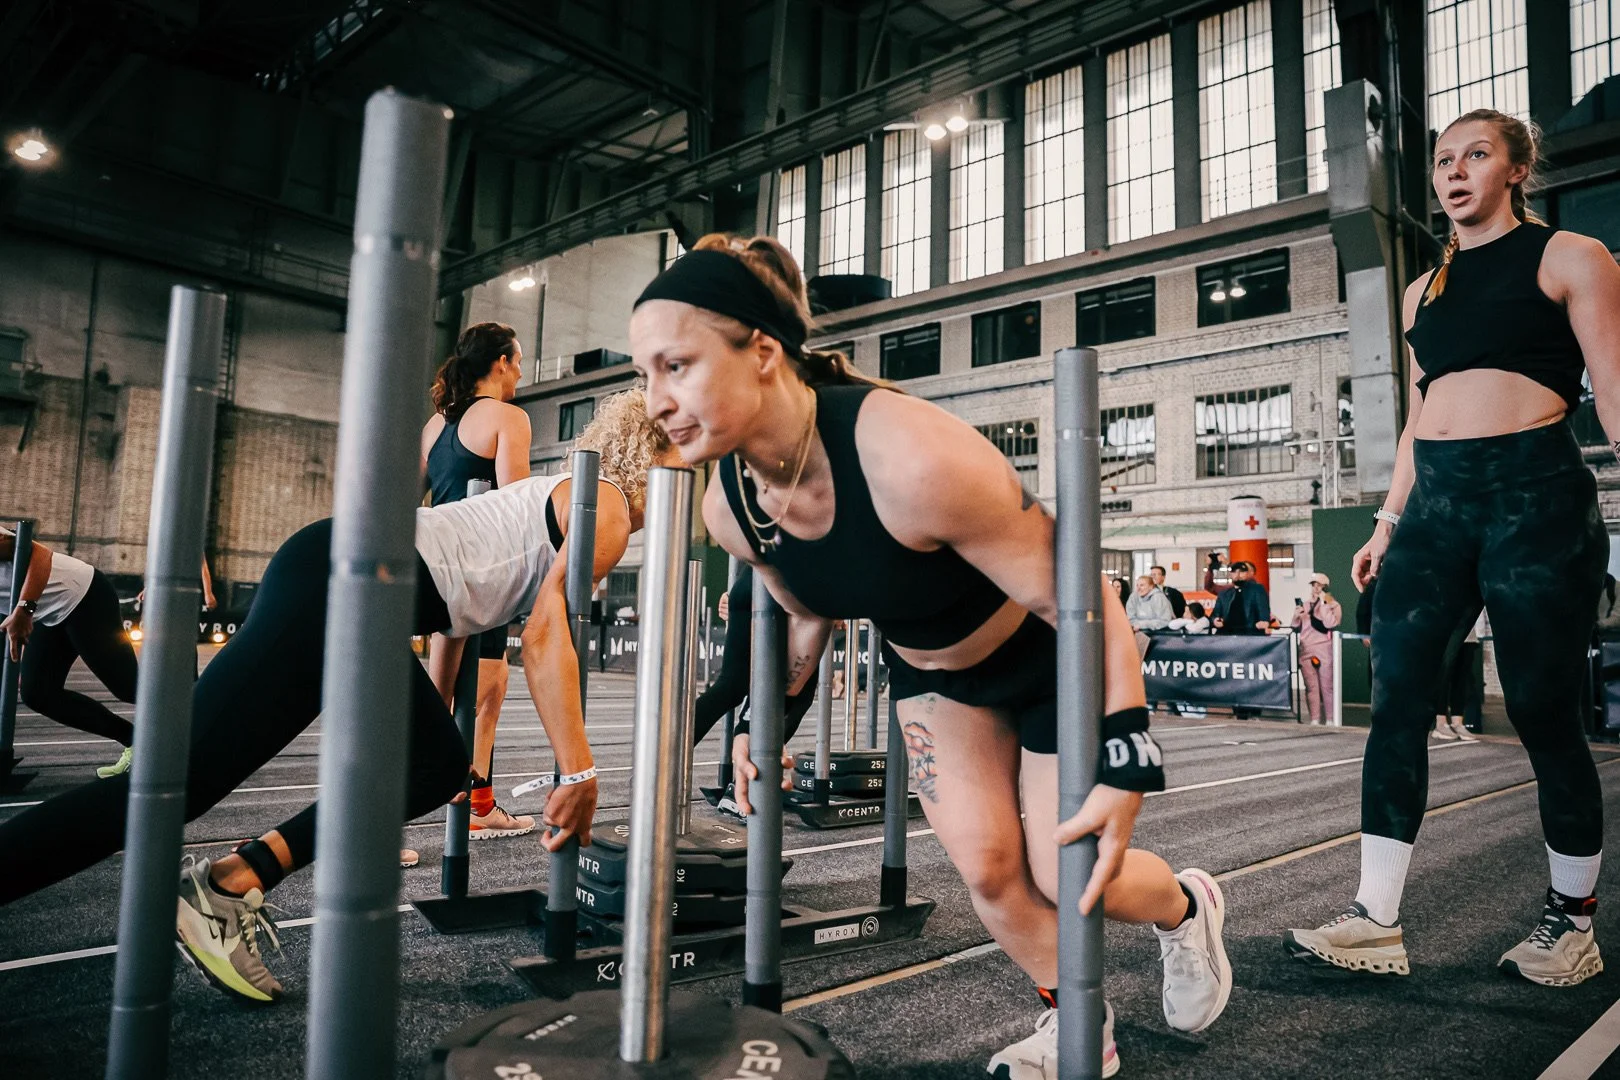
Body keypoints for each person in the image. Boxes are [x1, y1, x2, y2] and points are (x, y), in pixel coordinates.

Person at [629, 234, 1231, 1080]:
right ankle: (1077, 1022)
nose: (655, 399)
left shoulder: (909, 455)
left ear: (762, 352)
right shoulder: (732, 506)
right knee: (988, 872)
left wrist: (1129, 752)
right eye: (643, 375)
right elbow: (807, 625)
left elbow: (1081, 595)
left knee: (1070, 877)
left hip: (1052, 653)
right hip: (934, 676)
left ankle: (1185, 909)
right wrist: (760, 728)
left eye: (675, 366)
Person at [0, 392, 676, 1006]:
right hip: (340, 584)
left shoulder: (569, 496)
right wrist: (581, 771)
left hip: (359, 592)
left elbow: (458, 606)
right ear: (658, 452)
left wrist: (437, 707)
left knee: (435, 763)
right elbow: (544, 635)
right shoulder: (606, 507)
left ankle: (234, 881)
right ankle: (224, 885)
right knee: (166, 787)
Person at [1285, 110, 1620, 987]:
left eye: (1476, 155)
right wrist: (1386, 521)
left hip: (1534, 500)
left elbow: (1616, 395)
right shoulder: (1421, 291)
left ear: (1517, 169)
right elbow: (1418, 415)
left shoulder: (1571, 258)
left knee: (1546, 711)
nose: (1454, 172)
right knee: (1395, 702)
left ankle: (1572, 923)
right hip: (1434, 507)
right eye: (1442, 160)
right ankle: (1375, 918)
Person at [419, 321, 536, 841]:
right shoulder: (509, 417)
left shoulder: (434, 426)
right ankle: (379, 821)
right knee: (443, 705)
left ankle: (480, 797)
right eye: (519, 360)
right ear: (504, 362)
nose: (521, 370)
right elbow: (521, 506)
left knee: (485, 685)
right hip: (479, 572)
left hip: (439, 569)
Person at [0, 528, 140, 778]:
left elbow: (40, 554)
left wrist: (24, 610)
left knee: (129, 688)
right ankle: (137, 742)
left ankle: (198, 692)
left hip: (83, 595)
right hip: (47, 613)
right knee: (37, 692)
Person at [692, 564, 819, 816]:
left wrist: (739, 591)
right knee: (795, 693)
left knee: (730, 685)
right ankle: (748, 781)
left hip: (750, 582)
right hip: (784, 592)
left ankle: (659, 757)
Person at [1292, 573, 1342, 725]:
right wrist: (1296, 616)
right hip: (1306, 648)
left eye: (1319, 586)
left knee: (1327, 686)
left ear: (1325, 588)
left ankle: (1331, 718)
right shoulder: (1305, 605)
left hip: (1324, 648)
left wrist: (1325, 604)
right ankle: (1314, 718)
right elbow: (1295, 627)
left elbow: (1330, 624)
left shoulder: (1334, 605)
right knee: (1311, 687)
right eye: (1314, 585)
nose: (1316, 588)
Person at [1207, 558, 1270, 635]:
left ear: (1248, 574)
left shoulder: (1256, 589)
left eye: (1241, 572)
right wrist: (1215, 620)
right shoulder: (1224, 593)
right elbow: (1215, 614)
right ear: (1230, 574)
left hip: (1250, 633)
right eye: (1235, 572)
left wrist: (1264, 620)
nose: (1238, 574)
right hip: (1226, 634)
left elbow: (1263, 608)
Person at [1126, 574, 1174, 660]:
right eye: (1137, 585)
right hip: (1139, 638)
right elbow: (1130, 618)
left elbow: (1164, 621)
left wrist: (1141, 625)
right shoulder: (1133, 597)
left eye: (1142, 585)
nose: (1138, 588)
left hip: (1161, 640)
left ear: (1151, 586)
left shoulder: (1159, 598)